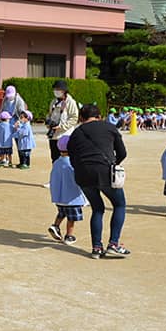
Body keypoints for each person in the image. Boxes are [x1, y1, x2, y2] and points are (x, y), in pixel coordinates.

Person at [67, 104, 129, 259]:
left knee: (97, 208)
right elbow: (122, 152)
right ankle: (113, 244)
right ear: (99, 116)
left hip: (83, 174)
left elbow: (72, 157)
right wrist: (114, 163)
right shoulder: (109, 127)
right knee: (119, 204)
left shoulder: (76, 133)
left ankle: (96, 248)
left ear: (81, 117)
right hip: (105, 171)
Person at [48, 134, 86, 245]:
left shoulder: (57, 162)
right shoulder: (73, 163)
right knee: (71, 218)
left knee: (62, 212)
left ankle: (55, 225)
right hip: (71, 197)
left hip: (60, 196)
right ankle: (69, 235)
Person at [46, 79, 79, 162]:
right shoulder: (53, 101)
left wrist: (61, 127)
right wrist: (48, 122)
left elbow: (74, 118)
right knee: (55, 159)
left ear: (64, 91)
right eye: (55, 89)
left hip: (65, 135)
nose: (56, 91)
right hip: (54, 136)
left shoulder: (71, 102)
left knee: (67, 159)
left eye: (58, 89)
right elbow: (49, 114)